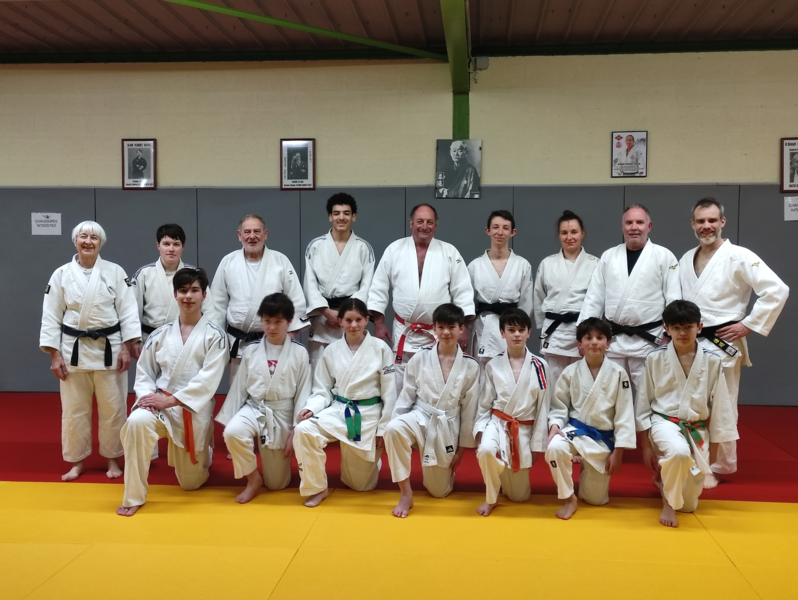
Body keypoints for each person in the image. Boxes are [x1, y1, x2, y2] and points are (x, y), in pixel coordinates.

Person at [679, 197, 788, 487]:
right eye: (701, 221)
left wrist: (749, 324)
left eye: (712, 220)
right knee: (691, 407)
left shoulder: (739, 255)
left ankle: (717, 466)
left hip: (722, 344)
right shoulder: (686, 258)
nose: (707, 226)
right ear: (693, 224)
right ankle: (692, 462)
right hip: (690, 344)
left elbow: (777, 290)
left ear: (722, 222)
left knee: (723, 409)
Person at [117, 268, 227, 516]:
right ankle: (133, 496)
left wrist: (170, 401)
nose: (188, 296)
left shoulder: (216, 337)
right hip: (159, 403)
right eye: (183, 291)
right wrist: (147, 400)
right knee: (136, 422)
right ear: (175, 294)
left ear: (204, 295)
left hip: (190, 408)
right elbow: (144, 373)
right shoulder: (159, 334)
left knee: (191, 484)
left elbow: (208, 381)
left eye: (194, 290)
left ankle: (205, 454)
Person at [40, 221, 140, 482]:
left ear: (100, 243)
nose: (88, 241)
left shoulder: (115, 272)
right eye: (83, 236)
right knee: (74, 410)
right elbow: (51, 315)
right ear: (75, 241)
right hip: (72, 350)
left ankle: (113, 458)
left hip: (110, 348)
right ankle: (77, 461)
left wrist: (126, 347)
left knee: (114, 408)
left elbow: (128, 310)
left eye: (94, 238)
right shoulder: (61, 274)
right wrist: (54, 355)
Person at [636, 300, 737, 528]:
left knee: (689, 505)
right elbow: (642, 402)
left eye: (688, 327)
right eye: (676, 327)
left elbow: (721, 406)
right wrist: (646, 446)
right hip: (664, 422)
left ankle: (664, 476)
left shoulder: (712, 360)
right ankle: (668, 503)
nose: (682, 333)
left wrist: (715, 446)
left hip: (696, 427)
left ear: (699, 327)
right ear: (667, 329)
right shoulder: (655, 358)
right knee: (679, 452)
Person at [293, 299, 396, 507]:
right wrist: (311, 408)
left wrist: (383, 428)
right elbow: (322, 389)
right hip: (339, 410)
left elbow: (390, 392)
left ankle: (371, 463)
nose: (354, 325)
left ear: (367, 320)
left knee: (360, 485)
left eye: (358, 319)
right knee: (304, 430)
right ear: (340, 321)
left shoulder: (381, 349)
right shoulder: (331, 350)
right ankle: (317, 488)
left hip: (368, 415)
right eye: (348, 320)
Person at [384, 304, 480, 518]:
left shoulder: (471, 366)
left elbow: (469, 409)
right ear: (434, 329)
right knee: (393, 429)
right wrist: (396, 424)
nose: (446, 332)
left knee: (439, 492)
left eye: (451, 327)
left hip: (447, 424)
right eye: (441, 327)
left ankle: (443, 472)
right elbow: (406, 396)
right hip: (420, 415)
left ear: (461, 329)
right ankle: (406, 494)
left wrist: (461, 450)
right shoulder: (419, 358)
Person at [368, 204, 475, 394]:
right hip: (404, 330)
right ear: (411, 224)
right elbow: (378, 287)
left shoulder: (449, 252)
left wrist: (463, 327)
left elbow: (463, 291)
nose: (424, 226)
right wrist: (378, 323)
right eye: (420, 221)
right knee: (399, 384)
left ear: (436, 226)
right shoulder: (395, 249)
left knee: (436, 382)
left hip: (437, 332)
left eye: (429, 222)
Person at [216, 293, 311, 504]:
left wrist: (296, 429)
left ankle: (276, 468)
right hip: (254, 407)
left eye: (278, 321)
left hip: (283, 412)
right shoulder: (251, 350)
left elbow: (303, 393)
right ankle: (253, 479)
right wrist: (228, 418)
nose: (272, 327)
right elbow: (239, 387)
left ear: (289, 321)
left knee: (277, 484)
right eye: (267, 321)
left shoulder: (300, 353)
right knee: (232, 432)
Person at [578, 204, 681, 395]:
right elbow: (594, 298)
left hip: (650, 341)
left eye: (639, 222)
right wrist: (584, 334)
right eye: (629, 222)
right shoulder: (609, 256)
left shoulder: (664, 256)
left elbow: (674, 299)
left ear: (649, 226)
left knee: (650, 396)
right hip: (613, 341)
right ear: (622, 226)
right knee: (609, 394)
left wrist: (670, 335)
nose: (634, 227)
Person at [545, 317, 635, 520]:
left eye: (600, 337)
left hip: (602, 438)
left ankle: (588, 465)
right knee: (554, 448)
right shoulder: (570, 372)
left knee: (595, 499)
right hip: (575, 432)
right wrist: (555, 425)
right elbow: (559, 406)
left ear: (608, 343)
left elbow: (624, 415)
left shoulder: (619, 373)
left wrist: (619, 452)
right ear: (580, 344)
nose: (594, 342)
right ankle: (569, 498)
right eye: (588, 338)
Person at [210, 214, 307, 378]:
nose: (252, 236)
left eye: (257, 231)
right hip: (238, 343)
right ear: (239, 235)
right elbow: (217, 305)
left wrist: (289, 336)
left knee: (273, 388)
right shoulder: (228, 262)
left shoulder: (280, 261)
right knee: (238, 390)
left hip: (274, 342)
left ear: (265, 234)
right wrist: (220, 340)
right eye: (247, 232)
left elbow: (295, 300)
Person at [473, 308, 549, 517]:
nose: (516, 334)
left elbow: (543, 407)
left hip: (523, 428)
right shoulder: (493, 364)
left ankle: (502, 474)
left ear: (529, 333)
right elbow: (485, 403)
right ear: (502, 333)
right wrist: (480, 432)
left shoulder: (540, 365)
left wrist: (537, 445)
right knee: (485, 450)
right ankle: (491, 497)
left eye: (521, 330)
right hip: (498, 422)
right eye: (511, 330)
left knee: (519, 496)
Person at [304, 193, 375, 374]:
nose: (341, 217)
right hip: (323, 318)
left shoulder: (363, 248)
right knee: (319, 374)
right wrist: (327, 312)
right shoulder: (315, 246)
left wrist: (345, 315)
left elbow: (366, 286)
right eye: (336, 213)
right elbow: (310, 284)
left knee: (350, 373)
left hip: (351, 319)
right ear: (330, 217)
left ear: (353, 217)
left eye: (346, 213)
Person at [534, 210, 599, 386]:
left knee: (582, 383)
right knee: (554, 383)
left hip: (582, 331)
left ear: (582, 233)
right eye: (564, 233)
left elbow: (598, 300)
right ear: (559, 235)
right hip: (554, 332)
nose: (569, 237)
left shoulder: (595, 263)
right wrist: (542, 325)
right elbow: (538, 296)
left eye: (574, 232)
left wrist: (593, 331)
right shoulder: (547, 263)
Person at [468, 210, 534, 374]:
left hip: (512, 328)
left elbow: (526, 305)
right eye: (495, 227)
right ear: (487, 230)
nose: (500, 232)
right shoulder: (475, 266)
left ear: (513, 232)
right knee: (482, 375)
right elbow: (468, 302)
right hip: (484, 327)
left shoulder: (522, 265)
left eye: (505, 228)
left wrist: (520, 331)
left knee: (512, 372)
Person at [132, 223, 211, 340]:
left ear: (183, 246)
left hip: (187, 338)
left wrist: (210, 336)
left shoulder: (194, 274)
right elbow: (133, 310)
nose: (171, 249)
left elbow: (209, 310)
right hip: (151, 338)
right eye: (166, 244)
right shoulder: (144, 274)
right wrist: (135, 340)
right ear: (158, 245)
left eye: (176, 244)